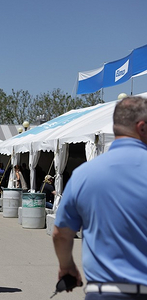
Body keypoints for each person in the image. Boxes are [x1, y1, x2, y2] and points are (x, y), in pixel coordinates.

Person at [53, 96, 147, 299]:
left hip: (104, 293)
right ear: (142, 127)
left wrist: (67, 266)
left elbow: (61, 234)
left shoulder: (84, 175)